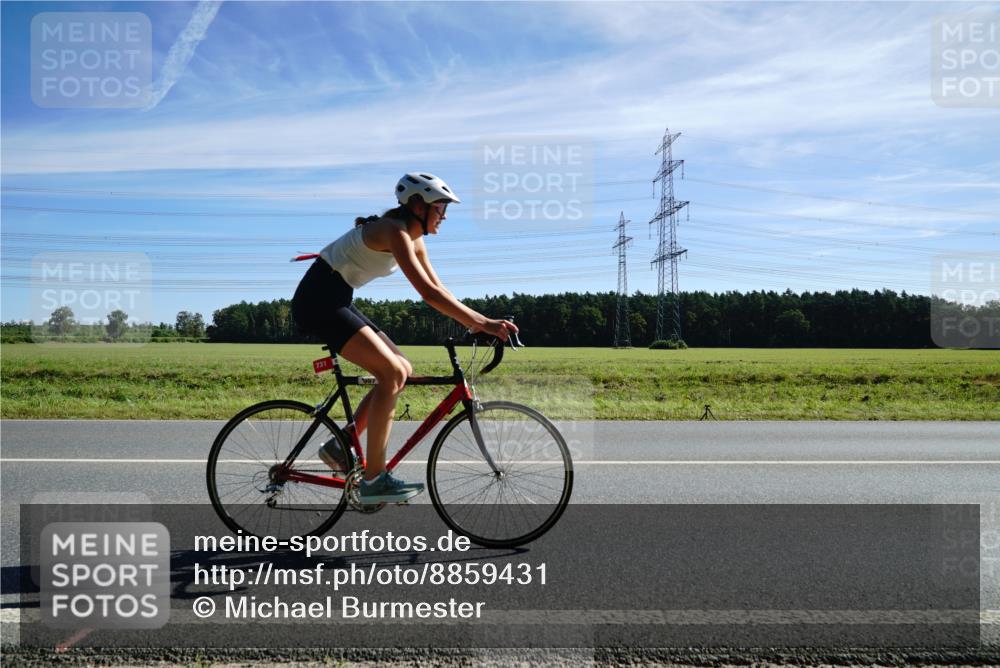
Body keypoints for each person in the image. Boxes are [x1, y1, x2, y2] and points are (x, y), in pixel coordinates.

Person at [291, 173, 518, 504]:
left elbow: (439, 289)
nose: (444, 216)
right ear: (417, 206)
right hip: (318, 301)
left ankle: (340, 443)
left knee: (403, 368)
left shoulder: (414, 237)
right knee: (391, 373)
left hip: (337, 298)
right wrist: (483, 323)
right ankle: (374, 480)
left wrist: (477, 322)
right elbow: (427, 294)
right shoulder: (393, 231)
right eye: (440, 208)